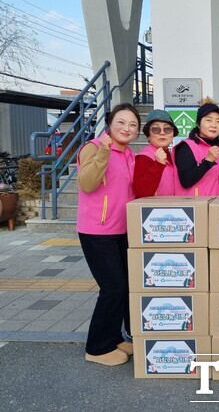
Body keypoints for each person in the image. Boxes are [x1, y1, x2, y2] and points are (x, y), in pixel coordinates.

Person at [76, 103, 140, 366]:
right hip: (97, 230)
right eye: (121, 122)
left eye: (133, 125)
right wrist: (103, 151)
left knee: (124, 288)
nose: (127, 128)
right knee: (113, 288)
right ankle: (97, 348)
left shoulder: (129, 153)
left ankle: (113, 338)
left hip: (122, 229)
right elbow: (87, 183)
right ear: (110, 124)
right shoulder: (93, 147)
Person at [174, 98, 219, 196]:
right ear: (198, 124)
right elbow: (185, 180)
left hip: (215, 203)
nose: (214, 125)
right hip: (195, 204)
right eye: (208, 120)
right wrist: (208, 161)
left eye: (218, 121)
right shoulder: (186, 147)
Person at [133, 109, 179, 197]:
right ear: (148, 135)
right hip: (155, 206)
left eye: (167, 129)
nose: (162, 133)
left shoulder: (173, 156)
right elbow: (141, 192)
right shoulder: (143, 158)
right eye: (155, 129)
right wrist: (158, 164)